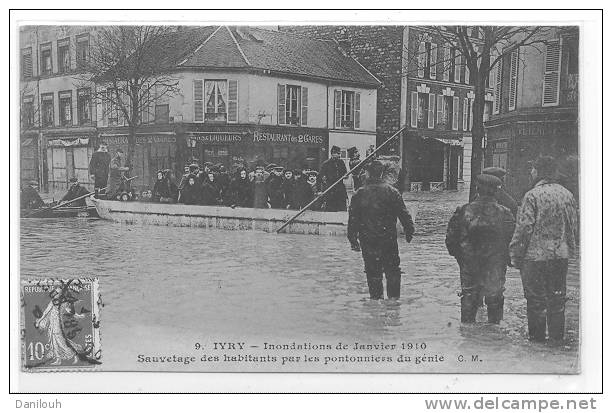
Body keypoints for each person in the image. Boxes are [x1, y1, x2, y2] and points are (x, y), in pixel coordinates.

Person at [510, 156, 578, 343]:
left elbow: (524, 228)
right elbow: (573, 226)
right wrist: (569, 250)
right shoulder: (567, 194)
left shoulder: (532, 195)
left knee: (536, 302)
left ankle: (537, 343)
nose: (531, 172)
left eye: (532, 169)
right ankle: (556, 341)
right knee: (557, 300)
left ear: (539, 171)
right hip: (560, 256)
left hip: (535, 258)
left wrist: (515, 256)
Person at [445, 174, 516, 324]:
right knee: (495, 297)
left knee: (469, 297)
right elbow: (512, 241)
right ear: (496, 191)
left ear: (477, 189)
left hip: (469, 263)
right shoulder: (505, 213)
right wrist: (506, 260)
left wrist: (462, 259)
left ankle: (468, 338)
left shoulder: (463, 211)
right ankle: (492, 337)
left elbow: (451, 240)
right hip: (495, 264)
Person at [347, 160, 415, 300]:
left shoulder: (359, 194)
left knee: (373, 273)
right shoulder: (392, 192)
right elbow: (404, 215)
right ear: (382, 174)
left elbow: (353, 220)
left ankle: (376, 304)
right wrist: (409, 232)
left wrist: (353, 240)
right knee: (393, 272)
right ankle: (394, 304)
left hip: (368, 240)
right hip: (388, 240)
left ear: (368, 173)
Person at [319, 146, 348, 211]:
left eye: (339, 153)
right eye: (337, 153)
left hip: (340, 189)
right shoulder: (326, 163)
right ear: (332, 153)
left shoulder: (341, 162)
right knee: (331, 209)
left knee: (342, 209)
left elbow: (345, 173)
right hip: (331, 189)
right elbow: (319, 177)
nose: (339, 155)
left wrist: (346, 176)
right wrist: (319, 191)